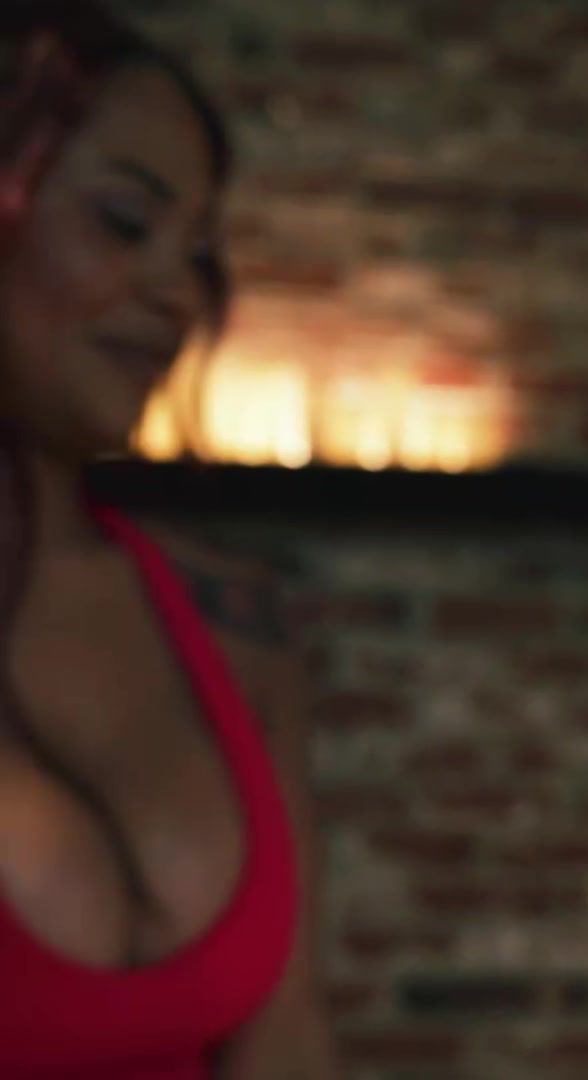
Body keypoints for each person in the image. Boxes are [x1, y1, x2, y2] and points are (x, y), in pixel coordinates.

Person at [0, 3, 337, 1076]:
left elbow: (285, 1047)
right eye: (123, 221)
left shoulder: (236, 628)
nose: (180, 295)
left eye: (196, 252)